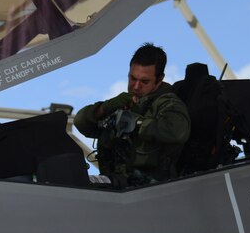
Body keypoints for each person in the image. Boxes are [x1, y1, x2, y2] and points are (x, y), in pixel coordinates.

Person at [74, 43, 190, 186]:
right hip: (115, 186)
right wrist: (105, 108)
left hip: (152, 189)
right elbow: (81, 123)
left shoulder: (168, 104)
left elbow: (176, 132)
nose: (136, 86)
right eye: (132, 78)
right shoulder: (123, 104)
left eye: (144, 81)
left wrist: (134, 122)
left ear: (159, 80)